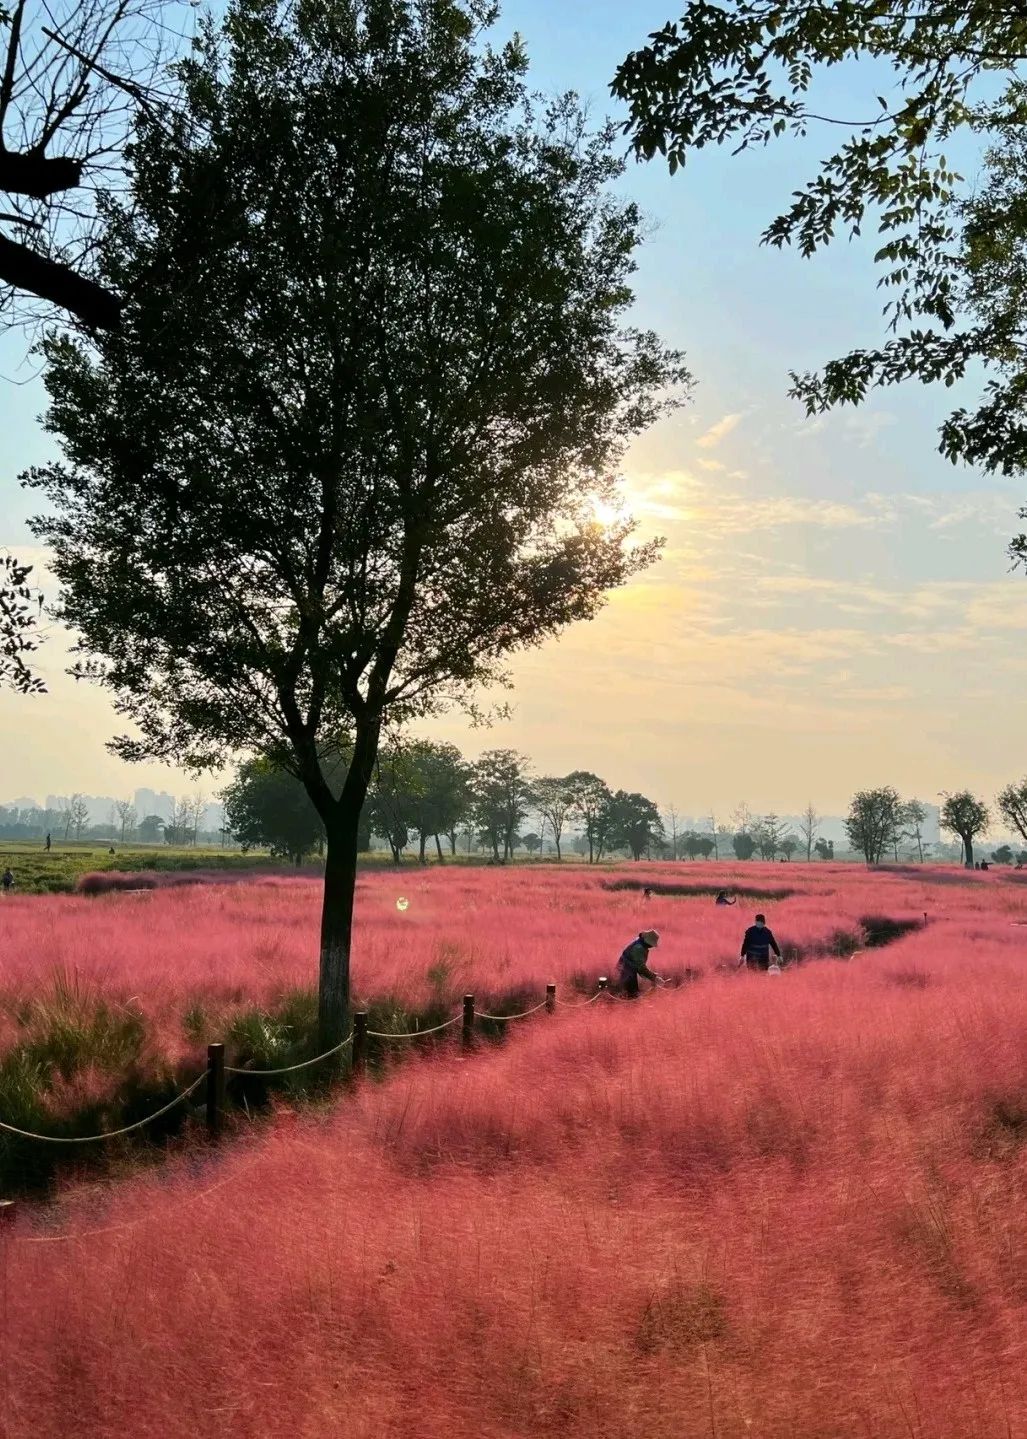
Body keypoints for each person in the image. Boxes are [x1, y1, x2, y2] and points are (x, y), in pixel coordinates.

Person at [616, 929, 663, 997]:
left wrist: (652, 976)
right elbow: (641, 968)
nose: (652, 946)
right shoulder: (639, 948)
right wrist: (654, 978)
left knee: (629, 994)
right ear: (648, 942)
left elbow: (639, 966)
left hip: (626, 969)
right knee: (631, 996)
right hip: (626, 971)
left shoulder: (639, 942)